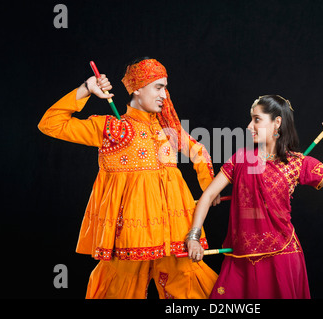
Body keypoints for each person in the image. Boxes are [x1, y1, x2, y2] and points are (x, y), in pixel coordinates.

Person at [38, 58, 219, 299]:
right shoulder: (111, 128)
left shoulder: (169, 130)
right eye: (158, 87)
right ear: (137, 88)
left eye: (165, 87)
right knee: (120, 288)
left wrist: (210, 191)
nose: (164, 95)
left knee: (190, 285)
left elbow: (199, 153)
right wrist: (86, 88)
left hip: (174, 232)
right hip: (130, 233)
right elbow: (50, 124)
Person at [186, 95, 323, 299]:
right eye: (251, 119)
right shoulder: (240, 159)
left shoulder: (298, 163)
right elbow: (208, 197)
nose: (249, 126)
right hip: (239, 257)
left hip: (281, 256)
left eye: (257, 119)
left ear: (277, 122)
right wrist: (194, 237)